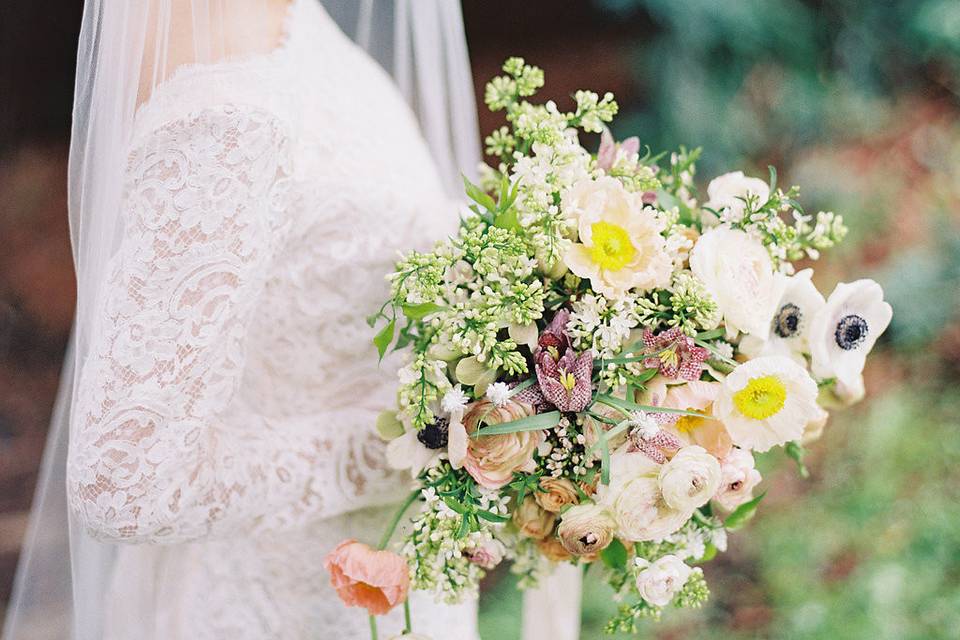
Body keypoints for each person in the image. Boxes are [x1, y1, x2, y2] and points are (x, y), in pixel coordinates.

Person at [3, 1, 482, 638]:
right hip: (272, 606)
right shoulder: (226, 109)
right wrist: (411, 445)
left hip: (383, 589)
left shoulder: (300, 23)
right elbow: (124, 480)